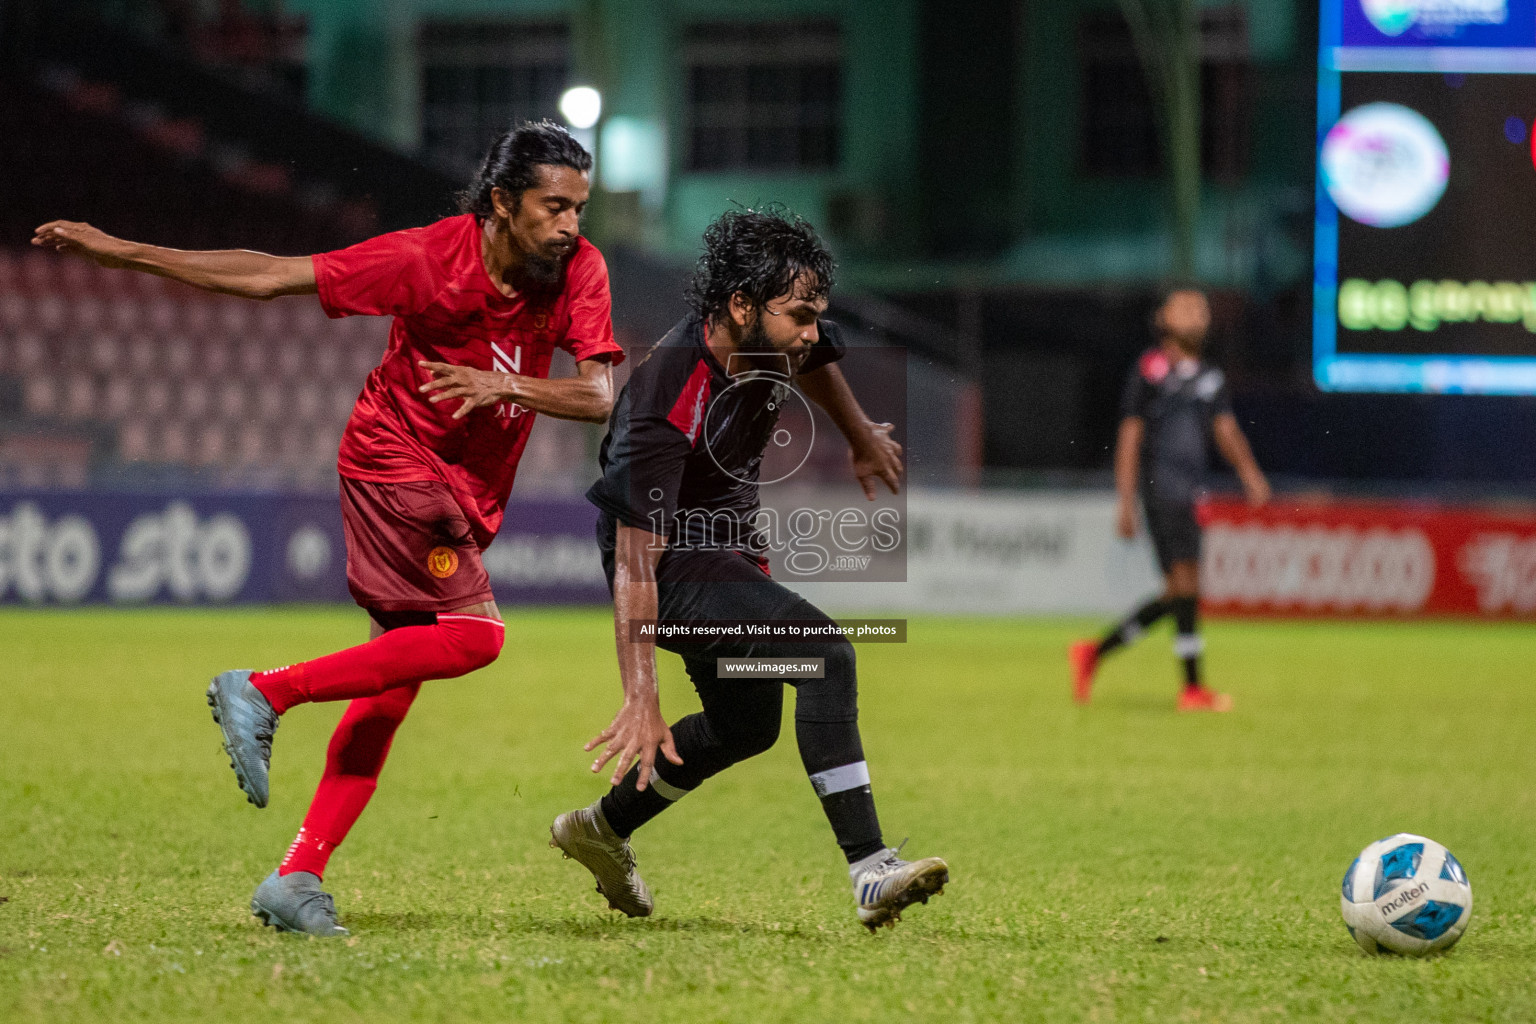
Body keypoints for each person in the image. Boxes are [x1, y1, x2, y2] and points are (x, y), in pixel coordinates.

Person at [32, 120, 623, 936]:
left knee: (392, 684)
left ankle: (297, 875)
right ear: (500, 201)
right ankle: (264, 690)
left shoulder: (578, 270)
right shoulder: (426, 259)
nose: (569, 225)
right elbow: (272, 276)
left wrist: (500, 388)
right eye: (553, 206)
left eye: (579, 208)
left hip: (464, 488)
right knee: (477, 637)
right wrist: (122, 251)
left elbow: (597, 397)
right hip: (393, 461)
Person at [548, 206, 949, 933]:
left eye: (815, 314)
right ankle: (870, 868)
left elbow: (817, 356)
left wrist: (859, 435)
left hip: (726, 545)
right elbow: (637, 561)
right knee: (826, 654)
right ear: (739, 305)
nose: (810, 330)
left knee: (745, 724)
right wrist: (641, 693)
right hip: (666, 563)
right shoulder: (667, 391)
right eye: (799, 314)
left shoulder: (779, 334)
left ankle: (600, 829)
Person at [1069, 287, 1269, 712]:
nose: (1199, 315)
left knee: (1180, 590)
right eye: (1187, 308)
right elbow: (1130, 434)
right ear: (1164, 319)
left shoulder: (1209, 376)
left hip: (1191, 493)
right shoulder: (1150, 370)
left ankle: (1095, 652)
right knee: (1184, 588)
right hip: (1161, 491)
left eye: (1202, 309)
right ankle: (1192, 689)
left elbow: (1226, 431)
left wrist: (1250, 473)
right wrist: (1125, 500)